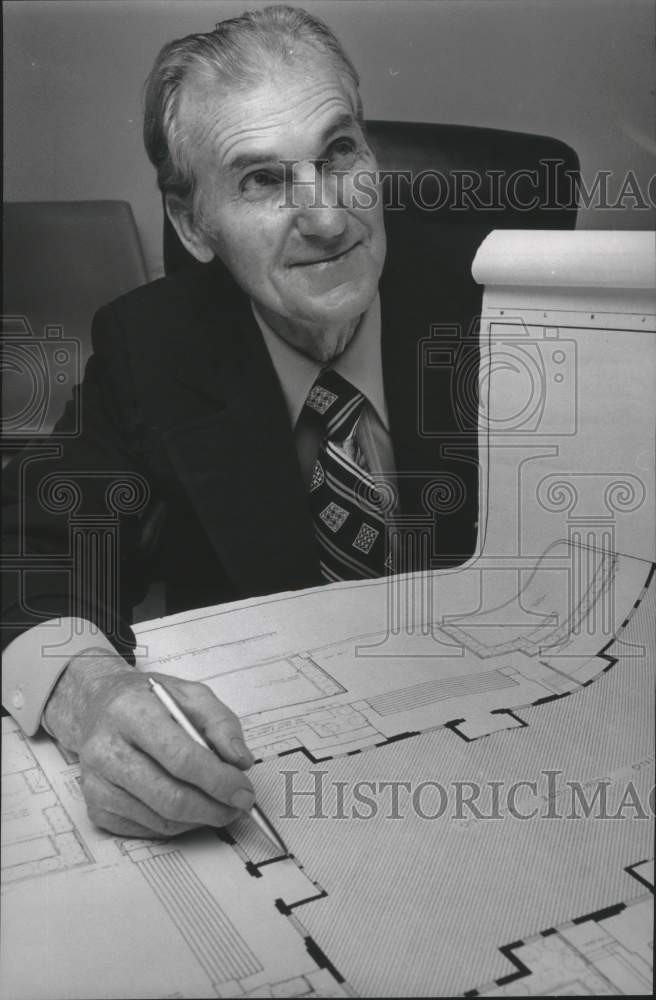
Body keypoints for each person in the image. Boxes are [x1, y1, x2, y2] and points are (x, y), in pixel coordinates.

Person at [1, 5, 478, 838]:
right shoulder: (150, 346)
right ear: (193, 226)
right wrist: (89, 692)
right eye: (260, 180)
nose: (329, 217)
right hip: (282, 776)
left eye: (340, 152)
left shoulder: (490, 308)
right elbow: (33, 554)